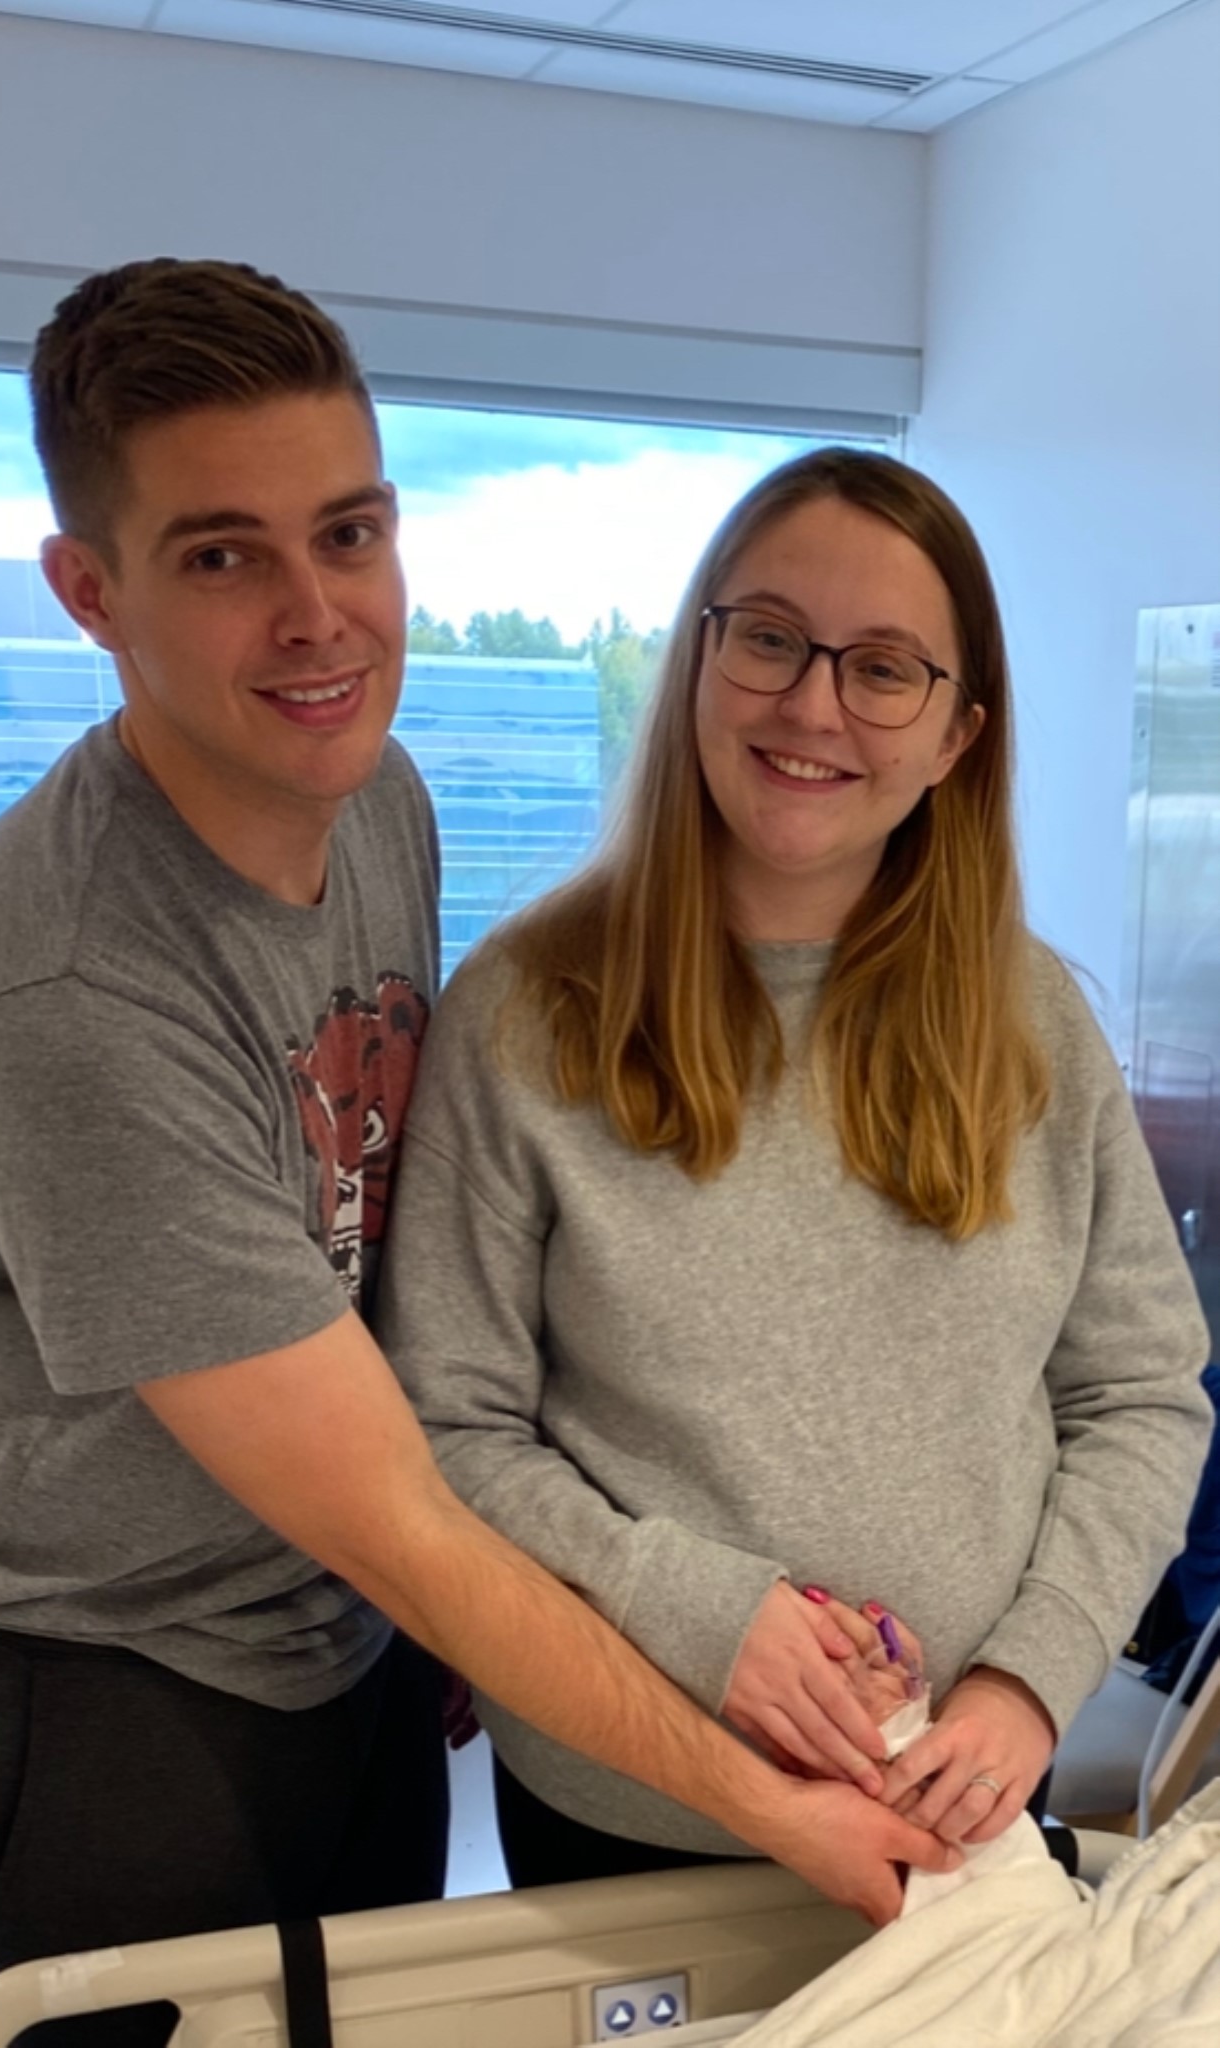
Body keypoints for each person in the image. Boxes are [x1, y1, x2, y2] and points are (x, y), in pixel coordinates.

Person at [0, 267, 952, 2043]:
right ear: (90, 592)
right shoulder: (73, 997)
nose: (318, 620)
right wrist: (771, 1805)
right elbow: (400, 1509)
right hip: (94, 1669)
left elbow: (386, 1251)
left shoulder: (374, 798)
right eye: (223, 556)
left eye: (347, 533)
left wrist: (438, 1613)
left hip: (337, 1627)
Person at [378, 446, 1213, 1888]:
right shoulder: (525, 1012)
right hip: (624, 1808)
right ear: (697, 663)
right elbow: (445, 1431)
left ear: (956, 736)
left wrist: (1029, 1677)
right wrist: (696, 1608)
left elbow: (1139, 1392)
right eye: (768, 639)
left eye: (883, 668)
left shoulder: (1032, 1025)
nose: (813, 706)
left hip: (956, 1806)